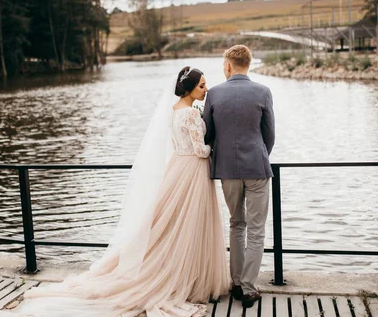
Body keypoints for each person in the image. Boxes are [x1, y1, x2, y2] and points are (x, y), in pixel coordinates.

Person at [19, 66, 230, 317]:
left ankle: (185, 273)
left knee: (172, 225)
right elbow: (200, 151)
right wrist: (215, 146)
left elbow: (178, 144)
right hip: (193, 171)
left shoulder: (175, 111)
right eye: (202, 86)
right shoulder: (192, 115)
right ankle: (190, 278)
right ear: (189, 88)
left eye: (205, 85)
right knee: (191, 224)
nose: (206, 90)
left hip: (177, 167)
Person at [203, 44, 275, 308]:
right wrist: (259, 155)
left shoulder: (214, 94)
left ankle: (235, 282)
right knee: (256, 230)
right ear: (249, 64)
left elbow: (208, 135)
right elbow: (270, 135)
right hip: (257, 167)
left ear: (228, 65)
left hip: (228, 171)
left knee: (237, 223)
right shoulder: (263, 92)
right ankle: (248, 287)